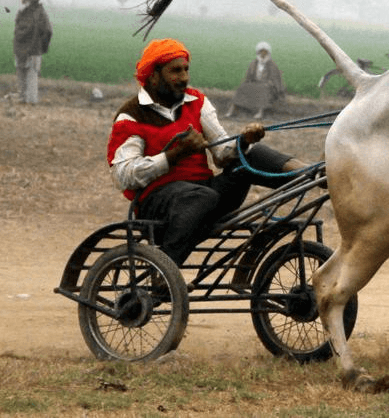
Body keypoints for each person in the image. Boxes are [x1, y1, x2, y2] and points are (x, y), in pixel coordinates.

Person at [106, 38, 310, 266]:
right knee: (203, 196)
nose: (184, 77)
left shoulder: (196, 102)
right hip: (158, 205)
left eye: (185, 70)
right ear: (153, 76)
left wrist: (243, 142)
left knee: (251, 154)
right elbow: (123, 176)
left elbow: (222, 154)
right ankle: (165, 269)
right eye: (175, 71)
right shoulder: (131, 116)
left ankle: (313, 176)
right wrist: (175, 155)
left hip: (204, 196)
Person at [225, 41, 285, 119]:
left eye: (265, 52)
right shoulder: (254, 63)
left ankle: (260, 112)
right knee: (243, 87)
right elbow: (249, 76)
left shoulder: (272, 65)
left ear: (268, 53)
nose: (263, 54)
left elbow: (275, 79)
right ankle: (232, 110)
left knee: (263, 89)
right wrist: (248, 82)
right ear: (258, 53)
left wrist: (270, 84)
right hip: (255, 84)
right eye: (261, 52)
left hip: (267, 86)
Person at [13, 0, 53, 104]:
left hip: (19, 49)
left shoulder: (21, 12)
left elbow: (17, 31)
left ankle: (22, 99)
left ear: (26, 0)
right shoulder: (41, 13)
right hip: (34, 50)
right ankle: (31, 102)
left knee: (21, 74)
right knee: (32, 75)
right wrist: (43, 47)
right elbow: (48, 31)